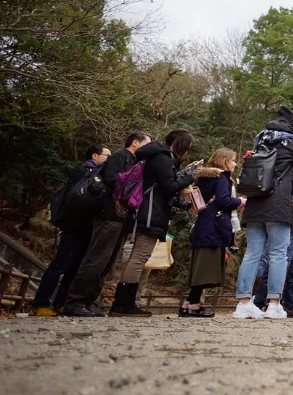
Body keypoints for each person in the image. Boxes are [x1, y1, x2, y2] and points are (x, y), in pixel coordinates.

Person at [233, 106, 293, 320]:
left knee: (252, 252)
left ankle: (243, 303)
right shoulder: (290, 142)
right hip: (278, 204)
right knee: (278, 254)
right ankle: (274, 304)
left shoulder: (260, 140)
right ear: (292, 127)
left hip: (255, 203)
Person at [110, 129, 198, 317]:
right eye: (187, 146)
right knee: (140, 256)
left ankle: (121, 304)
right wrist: (192, 176)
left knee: (137, 256)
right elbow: (170, 186)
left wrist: (182, 204)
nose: (188, 150)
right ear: (180, 143)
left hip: (149, 209)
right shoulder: (163, 158)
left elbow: (164, 190)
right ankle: (125, 304)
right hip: (150, 212)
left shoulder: (159, 157)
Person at [64, 132, 151, 317]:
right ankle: (76, 301)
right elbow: (112, 180)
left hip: (123, 218)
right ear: (135, 143)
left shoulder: (138, 162)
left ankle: (90, 301)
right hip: (109, 214)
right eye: (146, 144)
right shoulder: (120, 157)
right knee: (96, 259)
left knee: (107, 263)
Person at [30, 146, 110, 317]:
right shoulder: (83, 173)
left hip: (85, 227)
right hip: (73, 227)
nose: (109, 158)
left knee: (75, 268)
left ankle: (61, 303)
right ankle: (39, 304)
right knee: (59, 265)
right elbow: (75, 200)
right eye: (107, 155)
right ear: (95, 155)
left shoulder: (95, 174)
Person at [179, 148, 246, 318]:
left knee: (200, 269)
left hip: (203, 224)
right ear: (224, 161)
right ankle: (193, 305)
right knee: (205, 270)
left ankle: (189, 304)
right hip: (214, 227)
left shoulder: (204, 178)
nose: (235, 164)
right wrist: (240, 201)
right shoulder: (222, 177)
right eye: (233, 160)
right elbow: (223, 200)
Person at [252, 166, 293, 317]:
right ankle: (259, 302)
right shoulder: (283, 168)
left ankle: (290, 305)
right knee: (279, 263)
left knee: (291, 269)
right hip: (284, 221)